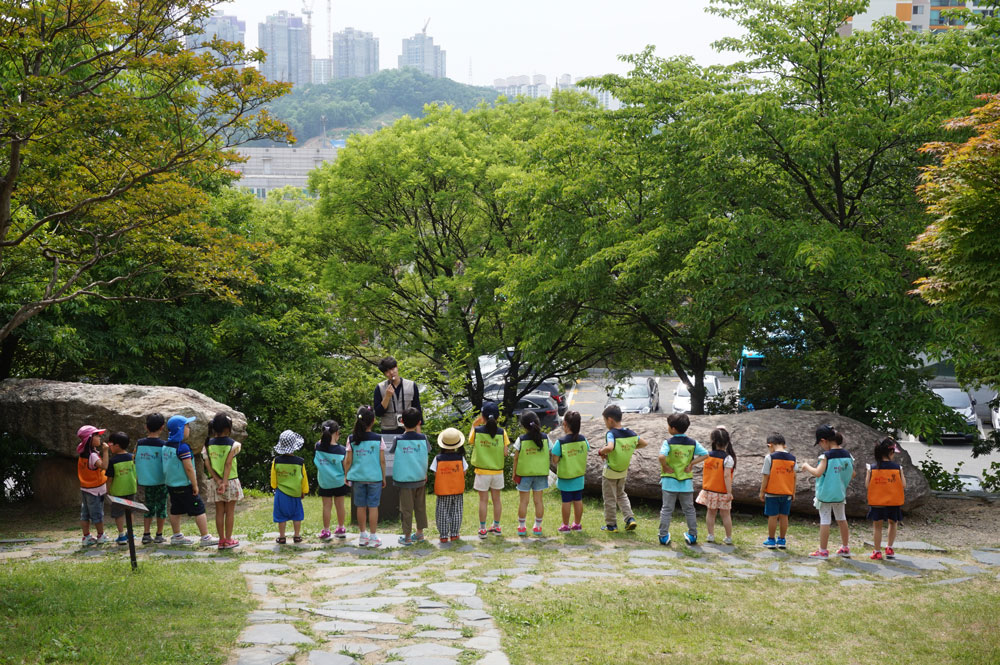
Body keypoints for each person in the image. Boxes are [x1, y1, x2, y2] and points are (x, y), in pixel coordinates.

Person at [162, 415, 218, 546]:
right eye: (187, 426)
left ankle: (176, 536)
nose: (189, 428)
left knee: (175, 509)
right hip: (185, 485)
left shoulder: (165, 446)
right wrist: (195, 484)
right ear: (180, 429)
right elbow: (189, 468)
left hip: (171, 485)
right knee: (199, 509)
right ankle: (205, 537)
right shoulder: (183, 448)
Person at [802, 425, 855, 559]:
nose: (821, 446)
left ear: (824, 440)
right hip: (840, 493)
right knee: (841, 519)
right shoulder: (847, 455)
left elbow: (818, 473)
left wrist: (806, 466)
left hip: (825, 494)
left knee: (825, 520)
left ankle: (823, 550)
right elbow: (852, 474)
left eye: (820, 443)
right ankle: (845, 547)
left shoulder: (826, 456)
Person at [658, 413, 709, 546]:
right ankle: (692, 535)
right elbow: (705, 454)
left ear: (673, 429)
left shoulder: (668, 442)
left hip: (669, 482)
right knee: (689, 509)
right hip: (686, 483)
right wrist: (692, 464)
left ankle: (663, 536)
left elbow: (661, 457)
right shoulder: (692, 443)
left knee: (667, 509)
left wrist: (665, 466)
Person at [597, 404, 650, 532]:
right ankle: (630, 519)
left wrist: (601, 451)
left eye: (605, 421)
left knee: (610, 498)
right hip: (623, 471)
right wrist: (630, 448)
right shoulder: (630, 433)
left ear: (610, 420)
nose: (605, 423)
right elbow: (644, 443)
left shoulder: (611, 433)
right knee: (621, 495)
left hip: (610, 472)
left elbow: (610, 447)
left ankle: (611, 525)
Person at [345, 405, 386, 548]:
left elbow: (348, 460)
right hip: (375, 478)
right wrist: (384, 477)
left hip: (357, 478)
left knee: (360, 506)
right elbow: (382, 460)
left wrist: (346, 475)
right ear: (373, 421)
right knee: (373, 506)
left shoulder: (352, 439)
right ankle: (374, 536)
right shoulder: (378, 438)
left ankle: (363, 535)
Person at [468, 401, 510, 538]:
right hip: (497, 472)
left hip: (482, 472)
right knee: (497, 500)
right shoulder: (502, 432)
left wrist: (474, 424)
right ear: (497, 417)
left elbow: (470, 441)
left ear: (483, 416)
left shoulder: (477, 431)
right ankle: (497, 527)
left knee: (483, 501)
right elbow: (505, 452)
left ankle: (482, 529)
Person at [202, 413, 243, 550]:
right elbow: (228, 464)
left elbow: (207, 464)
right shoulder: (234, 445)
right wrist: (224, 482)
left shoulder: (207, 444)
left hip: (215, 482)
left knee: (219, 511)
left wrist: (218, 480)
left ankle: (221, 540)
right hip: (230, 481)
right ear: (228, 428)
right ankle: (228, 540)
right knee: (230, 511)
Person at [392, 407, 430, 546]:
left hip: (405, 480)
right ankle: (419, 533)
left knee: (406, 509)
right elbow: (427, 451)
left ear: (401, 421)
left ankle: (407, 537)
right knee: (420, 507)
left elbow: (392, 450)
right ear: (419, 422)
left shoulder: (398, 439)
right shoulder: (423, 438)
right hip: (420, 478)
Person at [866, 437, 906, 560]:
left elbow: (867, 485)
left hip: (877, 501)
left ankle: (877, 551)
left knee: (877, 527)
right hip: (893, 502)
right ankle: (889, 548)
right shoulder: (898, 468)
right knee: (893, 523)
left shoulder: (871, 468)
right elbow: (903, 485)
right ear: (891, 452)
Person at [512, 411, 551, 537]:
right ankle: (538, 527)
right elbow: (552, 452)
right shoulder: (545, 438)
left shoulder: (521, 440)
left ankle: (522, 527)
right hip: (540, 473)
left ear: (523, 426)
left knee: (524, 501)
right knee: (538, 501)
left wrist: (514, 473)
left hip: (524, 474)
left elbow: (516, 458)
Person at [696, 426, 737, 545]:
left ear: (713, 441)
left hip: (710, 489)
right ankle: (728, 537)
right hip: (723, 491)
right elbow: (726, 476)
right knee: (725, 514)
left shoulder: (707, 455)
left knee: (710, 512)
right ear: (727, 442)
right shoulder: (728, 458)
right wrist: (729, 492)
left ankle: (710, 535)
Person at [551, 410, 588, 532]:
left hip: (566, 477)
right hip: (579, 475)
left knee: (566, 501)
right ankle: (577, 524)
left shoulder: (560, 442)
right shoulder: (583, 440)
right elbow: (586, 450)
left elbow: (555, 460)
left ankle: (565, 525)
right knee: (578, 500)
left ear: (565, 424)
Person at [271, 429, 309, 544]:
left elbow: (273, 478)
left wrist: (274, 486)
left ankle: (282, 537)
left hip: (281, 493)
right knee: (297, 515)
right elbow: (304, 478)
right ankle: (297, 536)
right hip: (296, 493)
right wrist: (304, 490)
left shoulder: (276, 461)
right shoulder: (299, 462)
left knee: (281, 516)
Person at [759, 432, 796, 549]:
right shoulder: (792, 458)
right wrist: (793, 492)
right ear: (784, 445)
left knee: (773, 516)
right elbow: (794, 476)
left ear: (770, 445)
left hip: (772, 492)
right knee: (784, 516)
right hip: (787, 493)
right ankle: (782, 540)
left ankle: (771, 539)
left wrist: (762, 491)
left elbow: (766, 476)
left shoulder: (770, 457)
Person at [135, 413, 168, 545]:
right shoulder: (164, 445)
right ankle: (159, 535)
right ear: (162, 427)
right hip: (161, 481)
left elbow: (134, 459)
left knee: (148, 507)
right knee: (161, 507)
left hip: (146, 481)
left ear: (146, 427)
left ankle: (146, 534)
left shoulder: (139, 443)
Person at [432, 427, 468, 543]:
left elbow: (434, 472)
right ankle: (454, 534)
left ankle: (443, 536)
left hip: (443, 491)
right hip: (457, 490)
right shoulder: (460, 458)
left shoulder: (438, 458)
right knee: (457, 512)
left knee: (442, 513)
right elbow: (465, 471)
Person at [314, 419, 348, 540]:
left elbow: (319, 442)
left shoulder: (318, 447)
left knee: (326, 506)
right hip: (339, 482)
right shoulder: (342, 450)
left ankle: (326, 531)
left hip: (324, 482)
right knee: (340, 506)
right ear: (337, 433)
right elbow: (346, 467)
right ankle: (341, 528)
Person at [77, 425, 109, 546]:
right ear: (90, 438)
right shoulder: (92, 456)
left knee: (85, 514)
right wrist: (106, 451)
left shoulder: (82, 453)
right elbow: (104, 466)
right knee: (97, 514)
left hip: (85, 488)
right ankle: (101, 536)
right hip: (95, 490)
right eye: (96, 435)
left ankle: (86, 537)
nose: (99, 437)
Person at [373, 356, 421, 434]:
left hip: (408, 429)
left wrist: (419, 434)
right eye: (387, 371)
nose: (391, 373)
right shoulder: (380, 387)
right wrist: (387, 397)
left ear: (397, 367)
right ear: (384, 374)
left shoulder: (411, 385)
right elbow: (378, 413)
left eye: (392, 369)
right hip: (387, 430)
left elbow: (417, 408)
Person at [105, 431, 137, 546]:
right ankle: (130, 533)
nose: (109, 446)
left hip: (117, 492)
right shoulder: (132, 457)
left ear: (117, 446)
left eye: (110, 444)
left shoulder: (112, 461)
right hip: (131, 489)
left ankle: (122, 535)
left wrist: (108, 491)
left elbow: (109, 479)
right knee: (130, 511)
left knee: (118, 514)